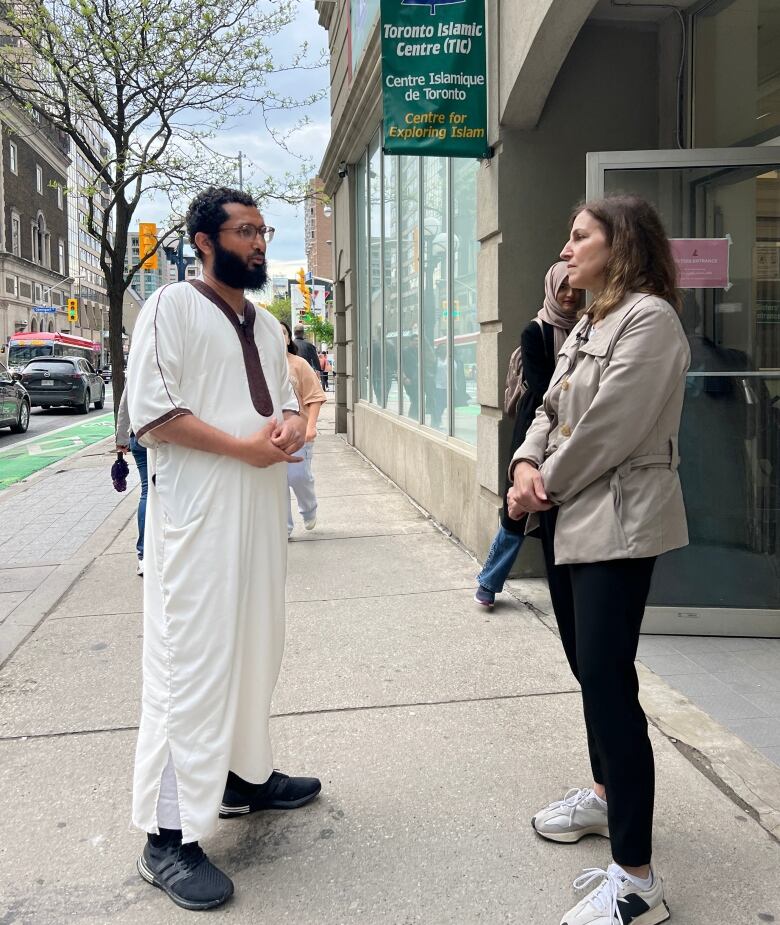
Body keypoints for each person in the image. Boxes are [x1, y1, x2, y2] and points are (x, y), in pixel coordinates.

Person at [126, 186, 321, 912]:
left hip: (259, 515)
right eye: (245, 232)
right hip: (197, 523)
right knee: (191, 668)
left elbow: (283, 405)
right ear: (204, 241)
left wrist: (291, 428)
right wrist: (243, 446)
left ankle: (243, 775)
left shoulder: (267, 326)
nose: (260, 243)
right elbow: (152, 413)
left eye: (264, 231)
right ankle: (165, 835)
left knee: (256, 648)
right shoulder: (169, 308)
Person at [507, 195, 690, 925]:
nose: (568, 245)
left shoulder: (651, 321)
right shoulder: (591, 318)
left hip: (615, 523)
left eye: (581, 234)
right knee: (590, 671)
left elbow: (610, 426)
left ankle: (638, 882)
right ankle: (608, 799)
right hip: (567, 517)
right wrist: (524, 463)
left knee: (610, 685)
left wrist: (540, 484)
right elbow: (548, 406)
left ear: (622, 244)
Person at [474, 262, 582, 607]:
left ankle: (566, 593)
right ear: (551, 289)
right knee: (519, 506)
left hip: (571, 431)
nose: (569, 295)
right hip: (534, 431)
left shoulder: (586, 328)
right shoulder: (534, 332)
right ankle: (489, 581)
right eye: (562, 288)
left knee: (560, 508)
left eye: (574, 288)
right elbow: (540, 386)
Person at [279, 319, 326, 536]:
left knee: (298, 476)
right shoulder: (258, 364)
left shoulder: (298, 364)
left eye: (283, 333)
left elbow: (314, 396)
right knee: (277, 484)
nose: (279, 337)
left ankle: (309, 509)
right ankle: (284, 528)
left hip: (299, 432)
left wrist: (311, 426)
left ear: (289, 338)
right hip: (271, 434)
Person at [115, 386, 147, 576]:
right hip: (168, 436)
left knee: (147, 492)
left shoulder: (140, 358)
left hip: (139, 434)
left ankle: (143, 555)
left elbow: (125, 403)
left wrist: (121, 439)